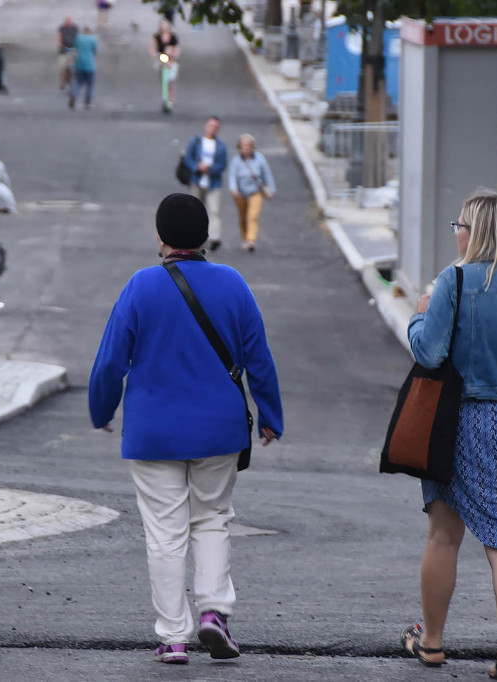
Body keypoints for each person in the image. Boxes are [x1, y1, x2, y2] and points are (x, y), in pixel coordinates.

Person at [89, 193, 283, 665]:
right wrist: (271, 414)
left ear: (160, 237)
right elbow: (258, 355)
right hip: (218, 429)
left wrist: (102, 408)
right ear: (203, 238)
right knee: (212, 517)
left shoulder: (140, 286)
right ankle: (213, 612)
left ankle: (173, 637)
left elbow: (111, 358)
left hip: (153, 433)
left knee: (165, 532)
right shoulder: (233, 284)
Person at [402, 189, 497, 681]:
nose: (456, 232)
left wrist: (420, 313)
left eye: (459, 225)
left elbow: (429, 352)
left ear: (476, 229)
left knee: (444, 535)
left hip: (456, 420)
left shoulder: (454, 281)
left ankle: (432, 642)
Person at [181, 117, 228, 250]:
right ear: (205, 126)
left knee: (214, 210)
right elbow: (187, 159)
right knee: (195, 211)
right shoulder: (196, 141)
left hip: (213, 183)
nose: (212, 128)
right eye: (210, 125)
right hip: (197, 181)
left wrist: (210, 169)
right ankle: (195, 239)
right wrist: (197, 167)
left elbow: (222, 164)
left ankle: (214, 238)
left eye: (215, 126)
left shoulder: (221, 146)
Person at [228, 134, 275, 252]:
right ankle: (245, 238)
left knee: (252, 216)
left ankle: (251, 240)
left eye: (248, 145)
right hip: (241, 192)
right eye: (244, 145)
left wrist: (271, 189)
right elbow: (232, 176)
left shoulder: (260, 159)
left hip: (256, 191)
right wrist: (234, 189)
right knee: (243, 216)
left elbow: (267, 174)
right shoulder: (236, 161)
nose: (246, 147)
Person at [152, 19, 180, 110]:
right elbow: (153, 47)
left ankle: (171, 99)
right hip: (161, 59)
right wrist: (154, 55)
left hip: (171, 60)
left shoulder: (173, 37)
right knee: (163, 80)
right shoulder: (157, 37)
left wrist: (173, 56)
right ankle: (165, 98)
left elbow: (177, 49)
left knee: (170, 81)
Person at [70, 26, 98, 110]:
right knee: (89, 85)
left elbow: (74, 48)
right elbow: (95, 51)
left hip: (79, 64)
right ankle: (87, 103)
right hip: (90, 65)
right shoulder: (93, 38)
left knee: (78, 82)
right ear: (89, 31)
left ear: (83, 31)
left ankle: (74, 94)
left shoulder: (78, 38)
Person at [57, 16, 78, 90]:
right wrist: (59, 45)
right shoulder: (61, 28)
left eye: (69, 22)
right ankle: (62, 83)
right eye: (67, 22)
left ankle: (73, 80)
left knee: (73, 66)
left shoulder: (74, 28)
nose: (68, 23)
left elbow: (77, 37)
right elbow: (59, 37)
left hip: (72, 49)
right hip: (63, 50)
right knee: (62, 67)